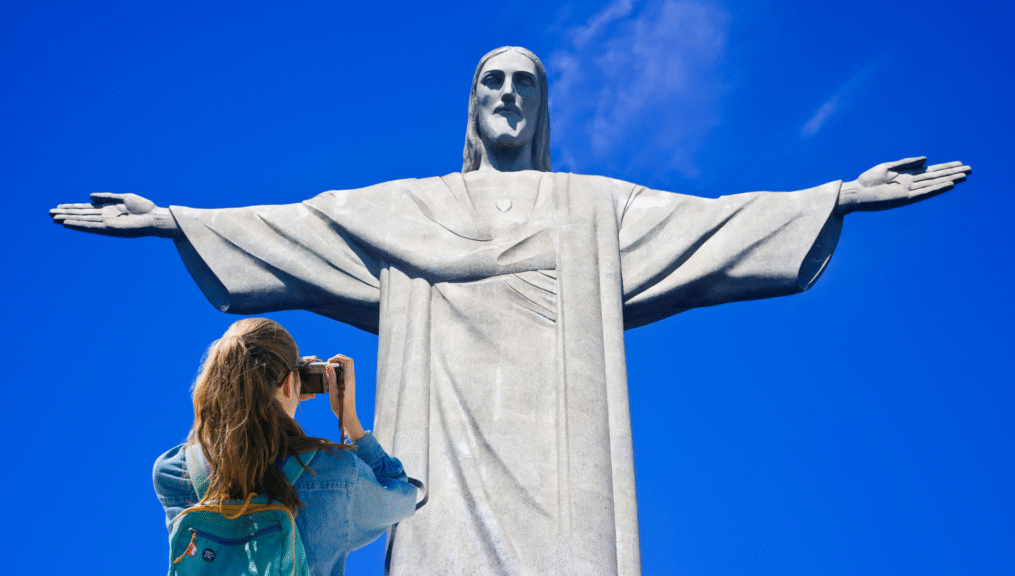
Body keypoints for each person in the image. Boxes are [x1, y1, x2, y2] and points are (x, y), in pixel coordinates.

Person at [56, 46, 970, 576]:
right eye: (491, 82)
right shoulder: (409, 209)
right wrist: (176, 219)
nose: (506, 96)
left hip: (563, 468)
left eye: (523, 84)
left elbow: (709, 226)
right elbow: (302, 224)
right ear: (472, 105)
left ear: (539, 109)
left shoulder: (591, 210)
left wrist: (836, 196)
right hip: (441, 453)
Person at [152, 317, 417, 576]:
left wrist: (279, 391)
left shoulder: (173, 472)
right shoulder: (336, 473)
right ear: (291, 382)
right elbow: (401, 494)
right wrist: (351, 424)